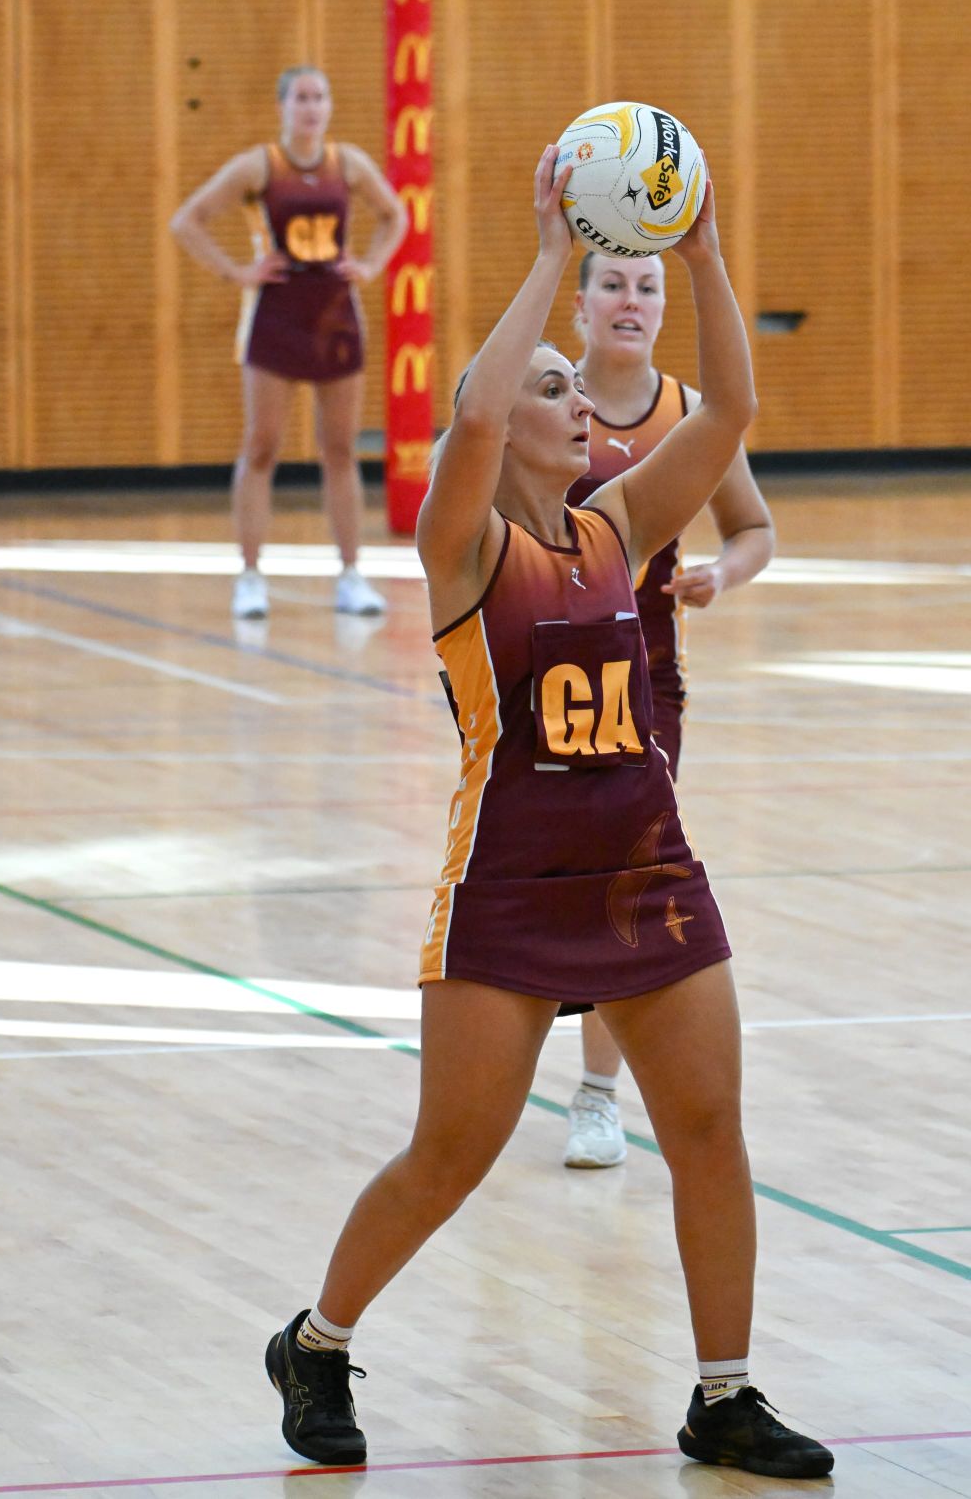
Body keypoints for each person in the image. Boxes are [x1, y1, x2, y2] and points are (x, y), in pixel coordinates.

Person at [263, 147, 834, 1482]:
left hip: (645, 868)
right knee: (449, 1156)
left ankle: (724, 1395)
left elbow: (733, 405)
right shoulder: (465, 551)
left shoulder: (616, 529)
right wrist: (547, 256)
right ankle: (320, 1341)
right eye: (554, 386)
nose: (582, 401)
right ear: (505, 418)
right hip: (508, 886)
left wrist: (697, 252)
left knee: (707, 1131)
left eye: (575, 385)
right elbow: (465, 421)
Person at [562, 250, 775, 1170]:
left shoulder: (687, 415)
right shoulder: (544, 403)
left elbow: (754, 528)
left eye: (648, 286)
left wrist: (719, 573)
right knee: (539, 878)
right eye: (613, 283)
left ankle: (597, 1094)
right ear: (579, 304)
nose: (632, 300)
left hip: (647, 688)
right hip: (537, 686)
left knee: (625, 885)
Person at [170, 65, 407, 619]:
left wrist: (371, 263)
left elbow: (394, 215)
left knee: (340, 450)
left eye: (320, 97)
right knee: (262, 446)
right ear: (282, 106)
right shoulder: (259, 166)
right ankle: (250, 577)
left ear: (329, 106)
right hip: (275, 315)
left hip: (334, 315)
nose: (311, 107)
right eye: (301, 97)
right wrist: (237, 270)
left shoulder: (347, 164)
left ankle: (351, 575)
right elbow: (189, 220)